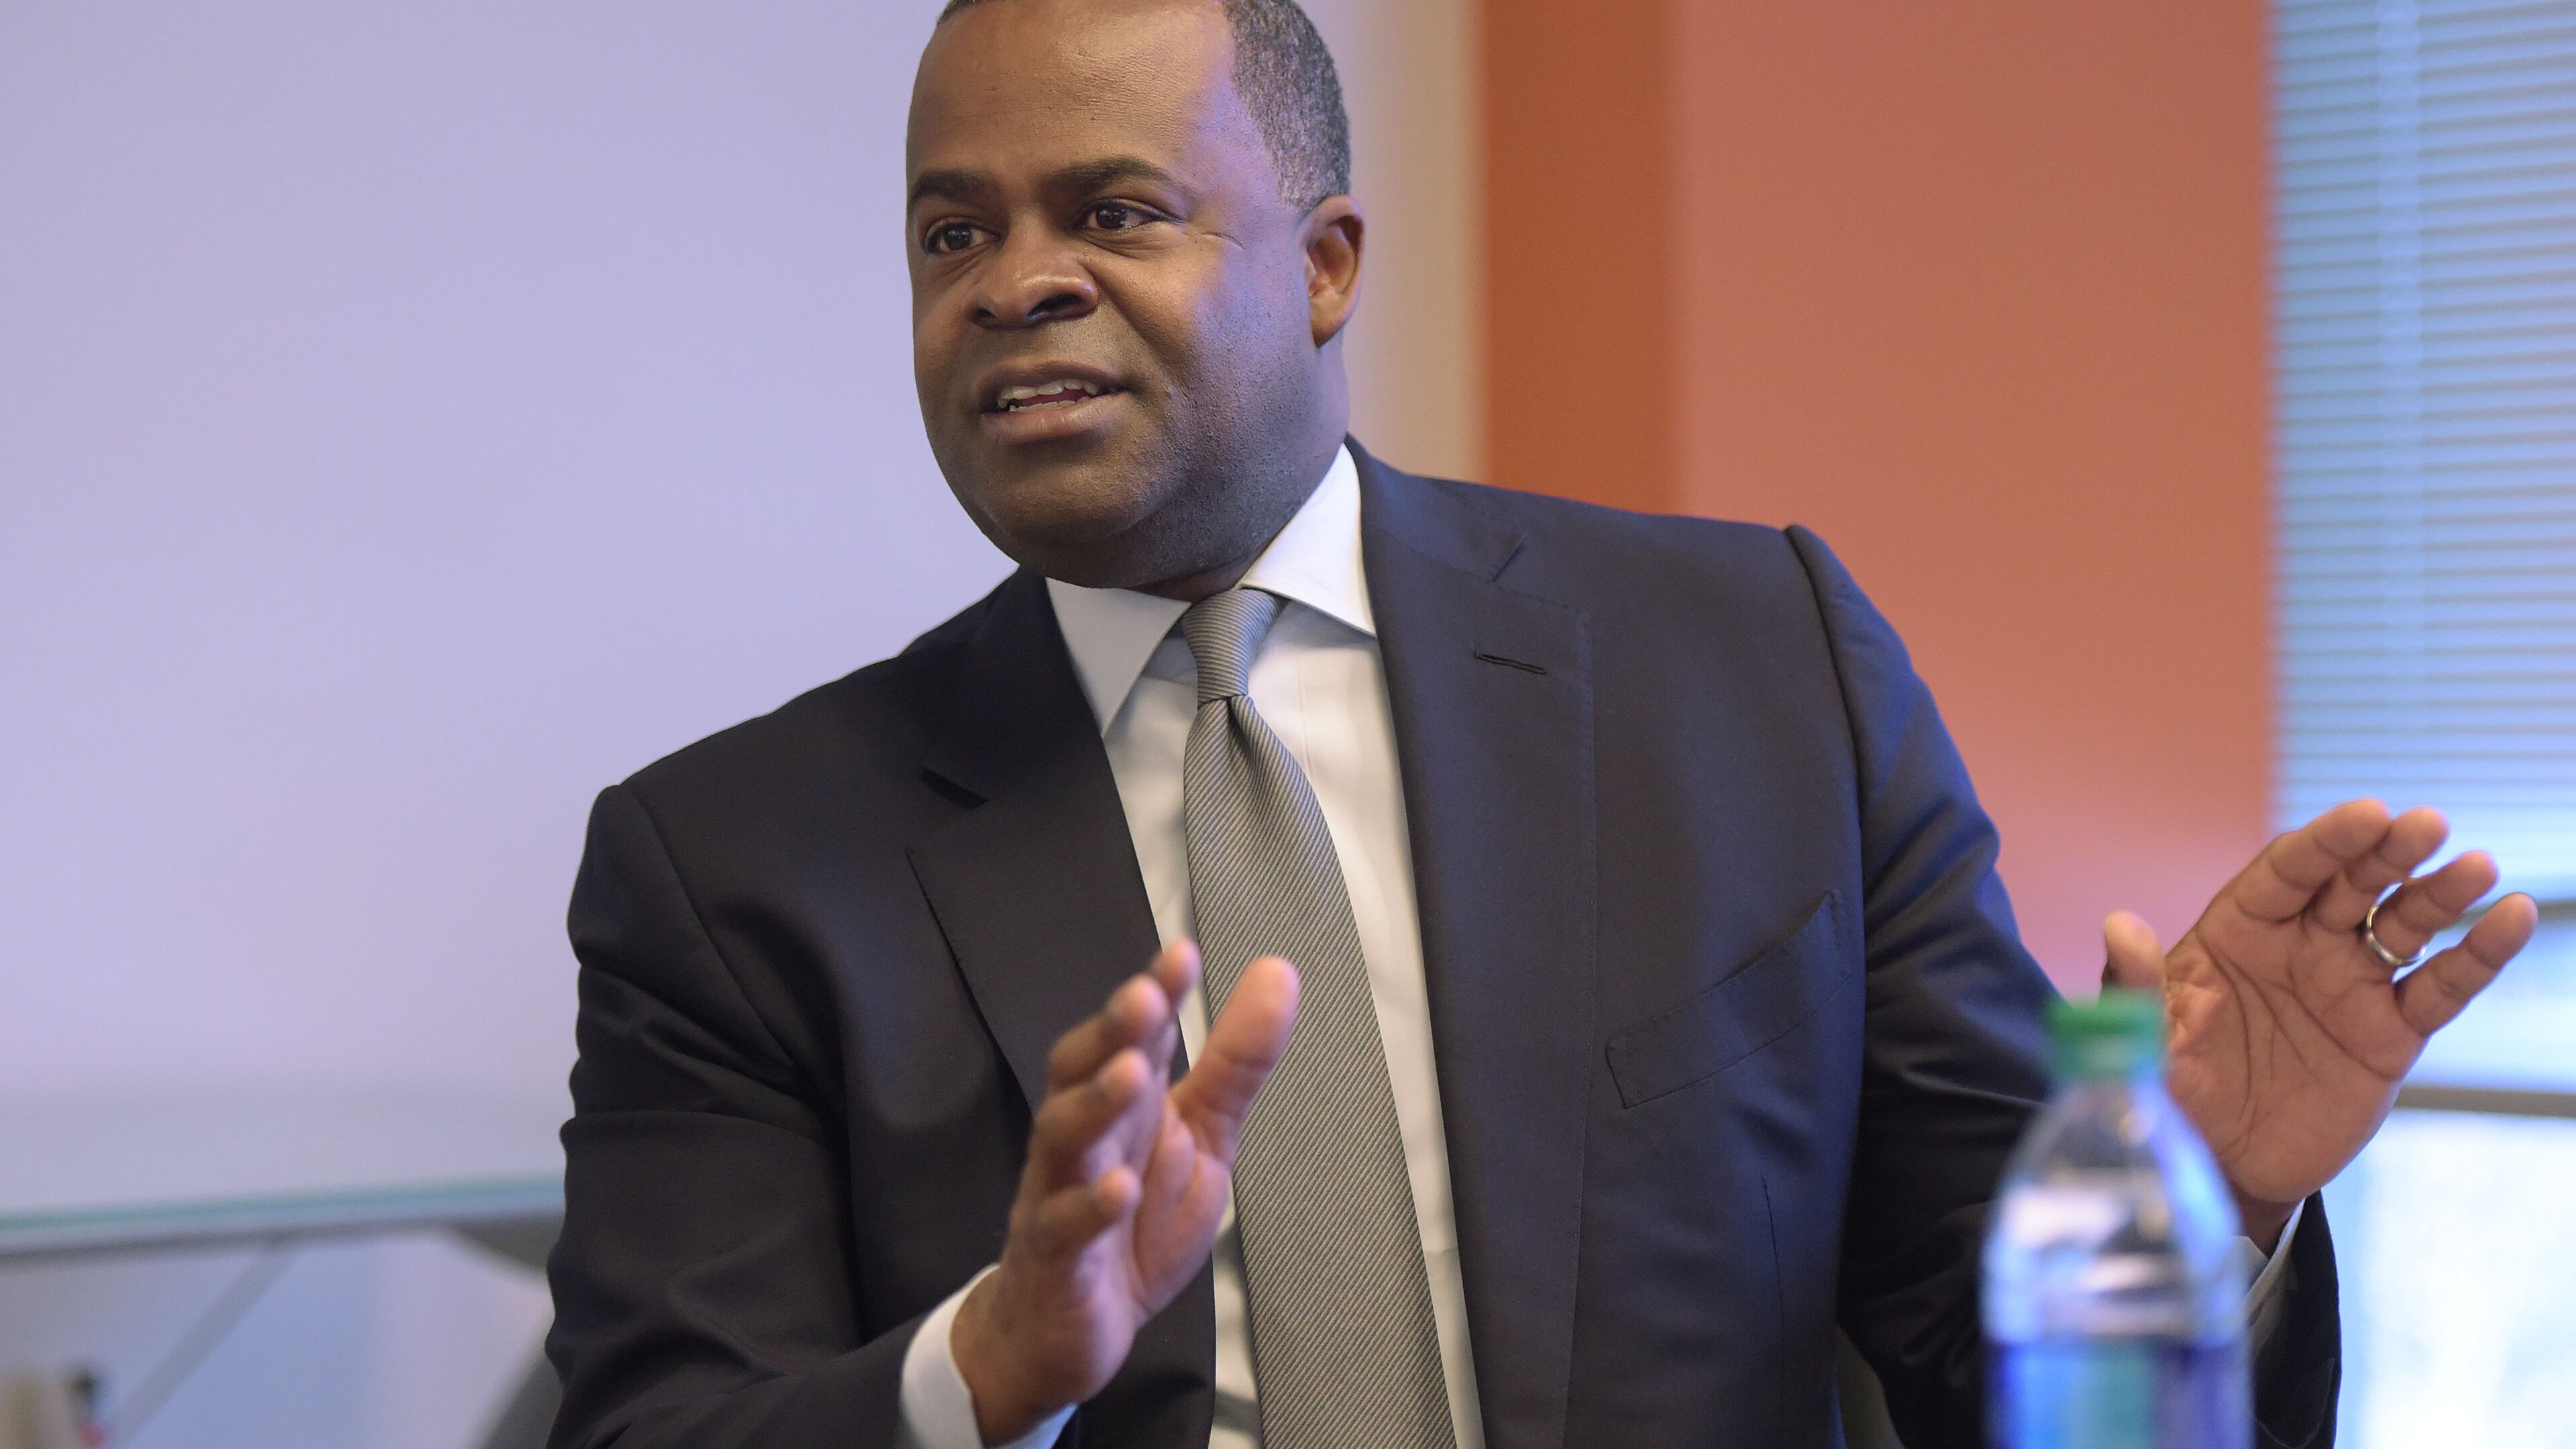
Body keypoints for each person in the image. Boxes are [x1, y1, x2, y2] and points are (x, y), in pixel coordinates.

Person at [541, 0, 2538, 1444]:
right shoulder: (733, 868)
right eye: (952, 232)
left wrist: (2204, 1215)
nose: (1015, 286)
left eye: (1115, 210)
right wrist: (984, 1369)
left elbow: (1975, 1358)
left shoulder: (1758, 671)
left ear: (1325, 268)